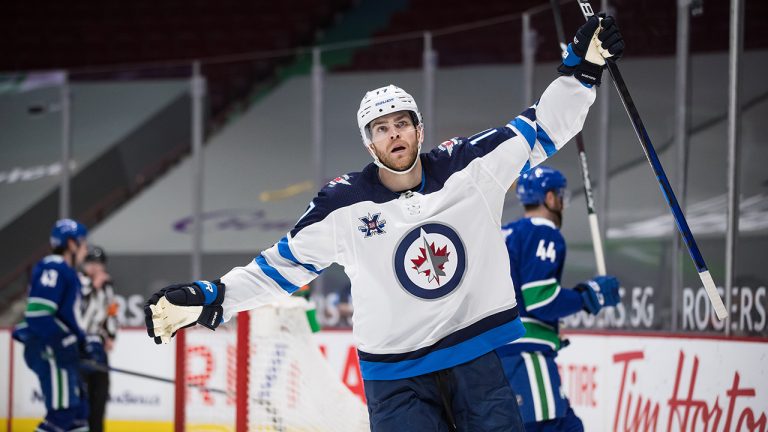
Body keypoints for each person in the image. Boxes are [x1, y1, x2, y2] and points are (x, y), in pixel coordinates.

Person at [145, 15, 624, 431]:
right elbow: (280, 269)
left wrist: (581, 72)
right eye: (381, 128)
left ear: (419, 129)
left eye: (401, 123)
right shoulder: (342, 204)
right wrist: (214, 298)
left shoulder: (470, 167)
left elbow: (541, 128)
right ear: (369, 144)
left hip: (477, 355)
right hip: (395, 378)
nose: (393, 133)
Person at [495, 166, 621, 431]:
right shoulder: (544, 233)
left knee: (568, 426)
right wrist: (588, 296)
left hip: (503, 353)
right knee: (550, 427)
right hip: (527, 356)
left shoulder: (508, 232)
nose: (562, 204)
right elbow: (541, 300)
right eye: (560, 196)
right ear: (550, 198)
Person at [11, 219, 97, 432]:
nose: (86, 249)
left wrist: (82, 344)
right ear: (70, 244)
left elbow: (67, 317)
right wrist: (65, 342)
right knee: (63, 413)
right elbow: (38, 314)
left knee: (79, 413)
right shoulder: (54, 267)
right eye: (83, 243)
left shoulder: (68, 272)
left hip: (59, 350)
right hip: (50, 350)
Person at [79, 245, 119, 432]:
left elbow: (112, 310)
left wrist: (110, 335)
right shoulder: (77, 283)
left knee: (100, 395)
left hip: (98, 347)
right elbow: (77, 312)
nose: (96, 267)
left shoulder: (107, 286)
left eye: (99, 263)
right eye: (91, 263)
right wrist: (93, 286)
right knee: (81, 396)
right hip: (79, 346)